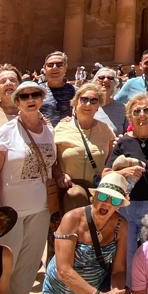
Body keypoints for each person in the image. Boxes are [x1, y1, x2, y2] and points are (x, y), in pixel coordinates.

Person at [0, 79, 69, 294]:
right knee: (4, 261)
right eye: (24, 96)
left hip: (40, 207)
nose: (30, 99)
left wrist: (60, 177)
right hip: (11, 210)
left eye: (35, 95)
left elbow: (52, 164)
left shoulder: (49, 130)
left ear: (42, 99)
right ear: (17, 102)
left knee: (29, 261)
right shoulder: (8, 131)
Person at [108, 93, 148, 278]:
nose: (142, 115)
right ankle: (131, 291)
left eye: (146, 110)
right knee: (127, 254)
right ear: (130, 116)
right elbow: (107, 173)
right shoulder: (122, 142)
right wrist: (123, 173)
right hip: (126, 208)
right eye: (136, 111)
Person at [54, 81, 115, 213]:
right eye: (84, 99)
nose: (88, 104)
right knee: (76, 196)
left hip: (97, 188)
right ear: (76, 102)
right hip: (71, 189)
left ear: (98, 106)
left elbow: (110, 160)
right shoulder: (61, 127)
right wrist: (59, 175)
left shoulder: (105, 130)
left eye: (94, 100)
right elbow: (51, 160)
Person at [39, 52, 76, 127]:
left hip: (67, 135)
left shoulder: (75, 91)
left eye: (59, 65)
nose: (54, 67)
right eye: (50, 65)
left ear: (65, 68)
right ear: (45, 68)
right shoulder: (36, 90)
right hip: (41, 135)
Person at [94, 67, 127, 134]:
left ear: (115, 84)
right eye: (101, 77)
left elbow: (128, 133)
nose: (106, 80)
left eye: (110, 78)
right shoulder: (86, 105)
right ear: (95, 82)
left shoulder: (123, 108)